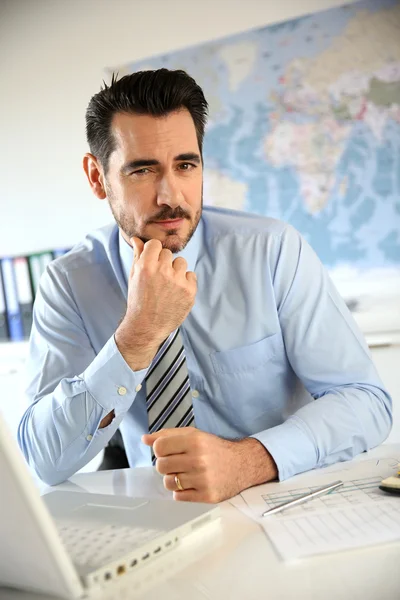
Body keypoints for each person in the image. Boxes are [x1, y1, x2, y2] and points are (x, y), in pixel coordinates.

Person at [18, 69, 392, 503]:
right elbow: (42, 459)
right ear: (97, 177)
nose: (170, 195)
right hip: (159, 515)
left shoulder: (271, 251)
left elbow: (365, 401)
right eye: (142, 170)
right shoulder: (69, 284)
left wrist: (250, 460)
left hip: (286, 498)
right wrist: (136, 336)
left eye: (186, 165)